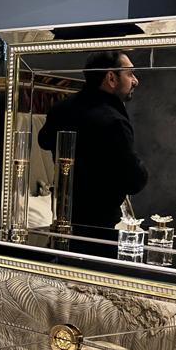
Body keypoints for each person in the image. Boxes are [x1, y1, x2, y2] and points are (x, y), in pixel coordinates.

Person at [38, 49, 148, 234]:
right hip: (99, 230)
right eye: (129, 74)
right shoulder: (114, 122)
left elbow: (44, 141)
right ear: (111, 78)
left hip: (62, 221)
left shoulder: (60, 109)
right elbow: (134, 181)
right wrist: (142, 169)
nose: (135, 81)